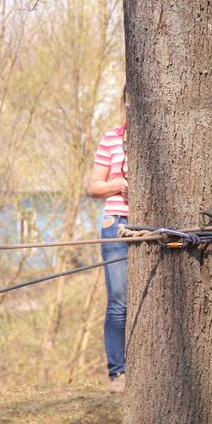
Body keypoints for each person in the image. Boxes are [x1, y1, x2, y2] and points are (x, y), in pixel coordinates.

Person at [88, 87, 129, 393]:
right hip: (117, 224)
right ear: (123, 103)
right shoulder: (112, 138)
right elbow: (94, 187)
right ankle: (118, 371)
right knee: (119, 300)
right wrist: (118, 184)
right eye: (129, 101)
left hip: (150, 226)